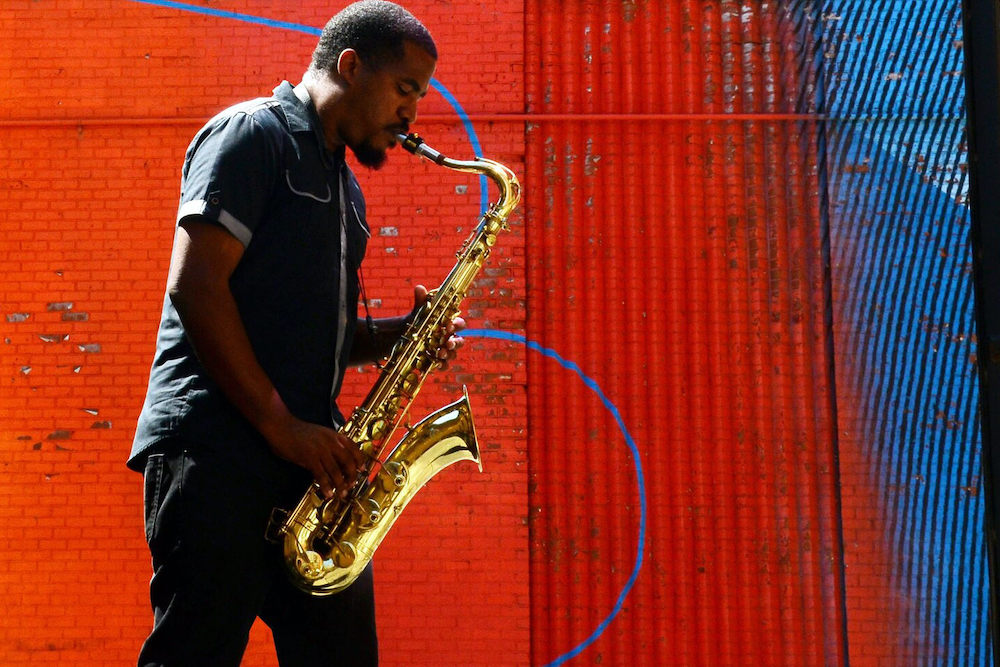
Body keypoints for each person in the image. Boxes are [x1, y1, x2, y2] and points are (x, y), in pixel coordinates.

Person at [128, 2, 461, 664]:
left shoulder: (348, 191)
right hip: (216, 455)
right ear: (350, 66)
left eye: (419, 96)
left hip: (309, 472)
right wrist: (282, 425)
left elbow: (322, 332)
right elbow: (196, 286)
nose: (412, 115)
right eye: (405, 89)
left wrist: (404, 335)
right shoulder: (252, 136)